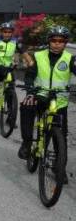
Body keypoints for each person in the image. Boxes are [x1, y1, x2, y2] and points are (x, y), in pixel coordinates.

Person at [18, 26, 76, 168]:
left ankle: (59, 166)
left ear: (65, 43)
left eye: (61, 41)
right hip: (40, 95)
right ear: (49, 41)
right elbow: (30, 75)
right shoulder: (39, 56)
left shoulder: (70, 59)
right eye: (54, 40)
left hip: (59, 100)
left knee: (60, 135)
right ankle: (26, 143)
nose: (57, 44)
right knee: (26, 106)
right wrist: (30, 91)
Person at [0, 22, 24, 110]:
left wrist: (17, 61)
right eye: (5, 32)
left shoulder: (15, 41)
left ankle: (11, 112)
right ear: (1, 32)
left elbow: (19, 52)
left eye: (9, 32)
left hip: (8, 67)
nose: (7, 34)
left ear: (12, 33)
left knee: (10, 88)